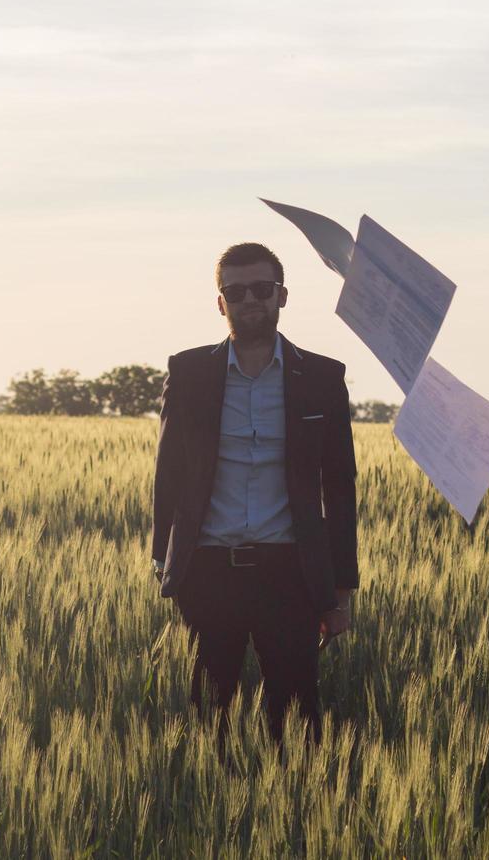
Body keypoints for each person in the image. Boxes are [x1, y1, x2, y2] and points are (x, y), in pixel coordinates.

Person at [152, 241, 358, 741]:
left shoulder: (323, 378)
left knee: (295, 723)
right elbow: (169, 473)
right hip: (207, 571)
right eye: (236, 291)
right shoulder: (189, 372)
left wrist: (342, 590)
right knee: (208, 722)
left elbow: (340, 485)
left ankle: (293, 810)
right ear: (220, 302)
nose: (250, 300)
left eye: (261, 289)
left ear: (281, 296)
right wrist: (165, 562)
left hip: (289, 573)